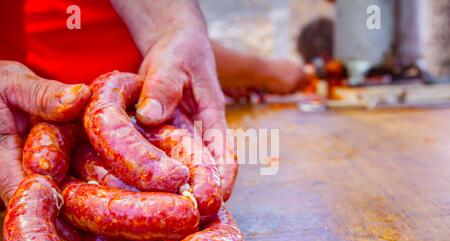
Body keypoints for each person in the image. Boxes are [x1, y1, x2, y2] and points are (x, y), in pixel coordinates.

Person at [0, 0, 312, 205]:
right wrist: (266, 72)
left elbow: (172, 42)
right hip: (24, 139)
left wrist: (174, 29)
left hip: (132, 130)